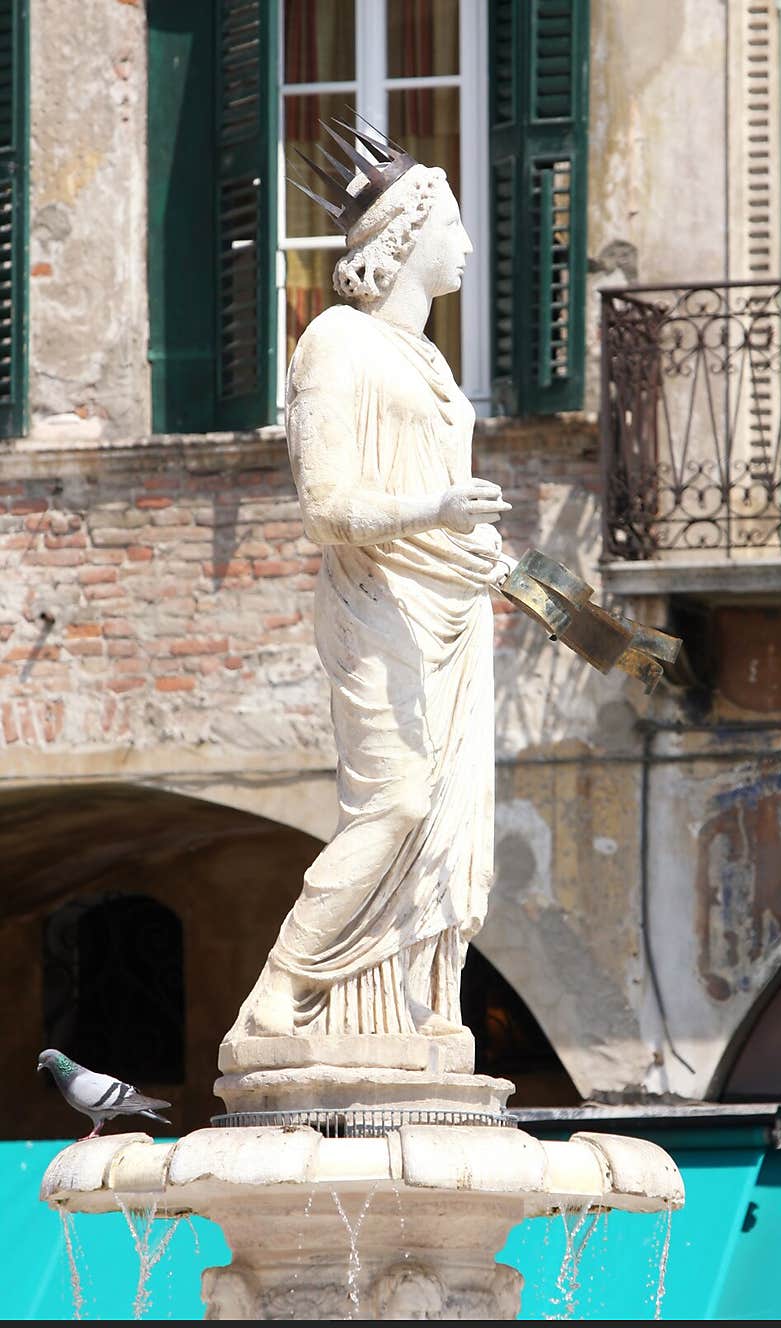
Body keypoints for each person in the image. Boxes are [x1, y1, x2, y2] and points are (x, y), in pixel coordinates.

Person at [223, 143, 510, 1045]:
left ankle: (416, 1001)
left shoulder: (428, 362)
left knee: (446, 825)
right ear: (408, 233)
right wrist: (439, 506)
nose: (466, 243)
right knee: (398, 804)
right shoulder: (334, 342)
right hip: (376, 600)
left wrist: (481, 547)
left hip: (452, 613)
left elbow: (445, 497)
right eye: (453, 223)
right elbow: (327, 509)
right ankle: (279, 989)